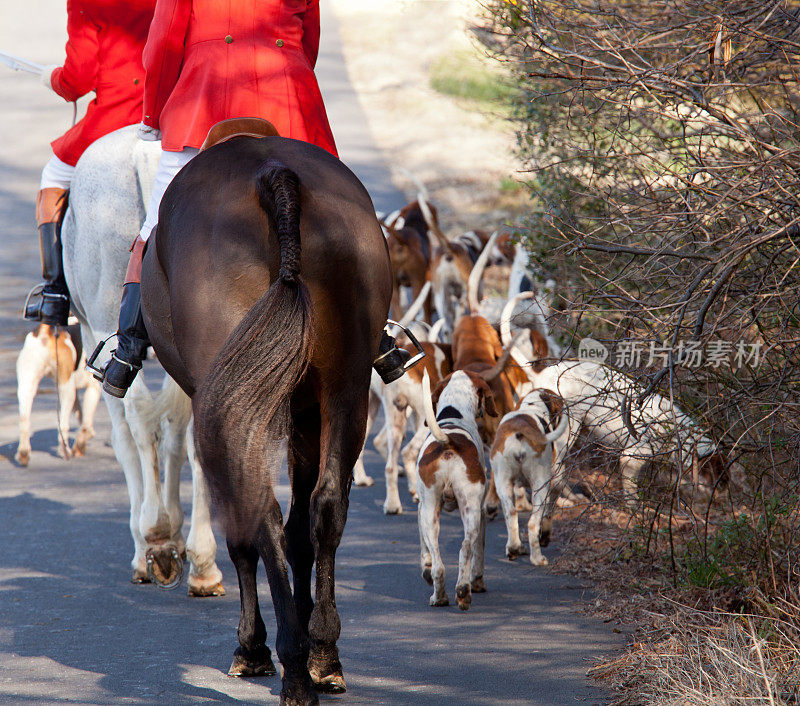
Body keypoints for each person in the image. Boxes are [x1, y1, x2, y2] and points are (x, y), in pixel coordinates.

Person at [97, 0, 412, 398]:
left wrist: (153, 114)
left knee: (152, 230)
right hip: (288, 98)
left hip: (204, 97)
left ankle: (126, 352)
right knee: (347, 214)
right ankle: (378, 339)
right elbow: (309, 37)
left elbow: (163, 45)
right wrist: (289, 78)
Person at [24, 0, 158, 326]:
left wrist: (53, 78)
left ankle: (55, 292)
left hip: (114, 117)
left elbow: (78, 78)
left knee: (53, 174)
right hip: (163, 113)